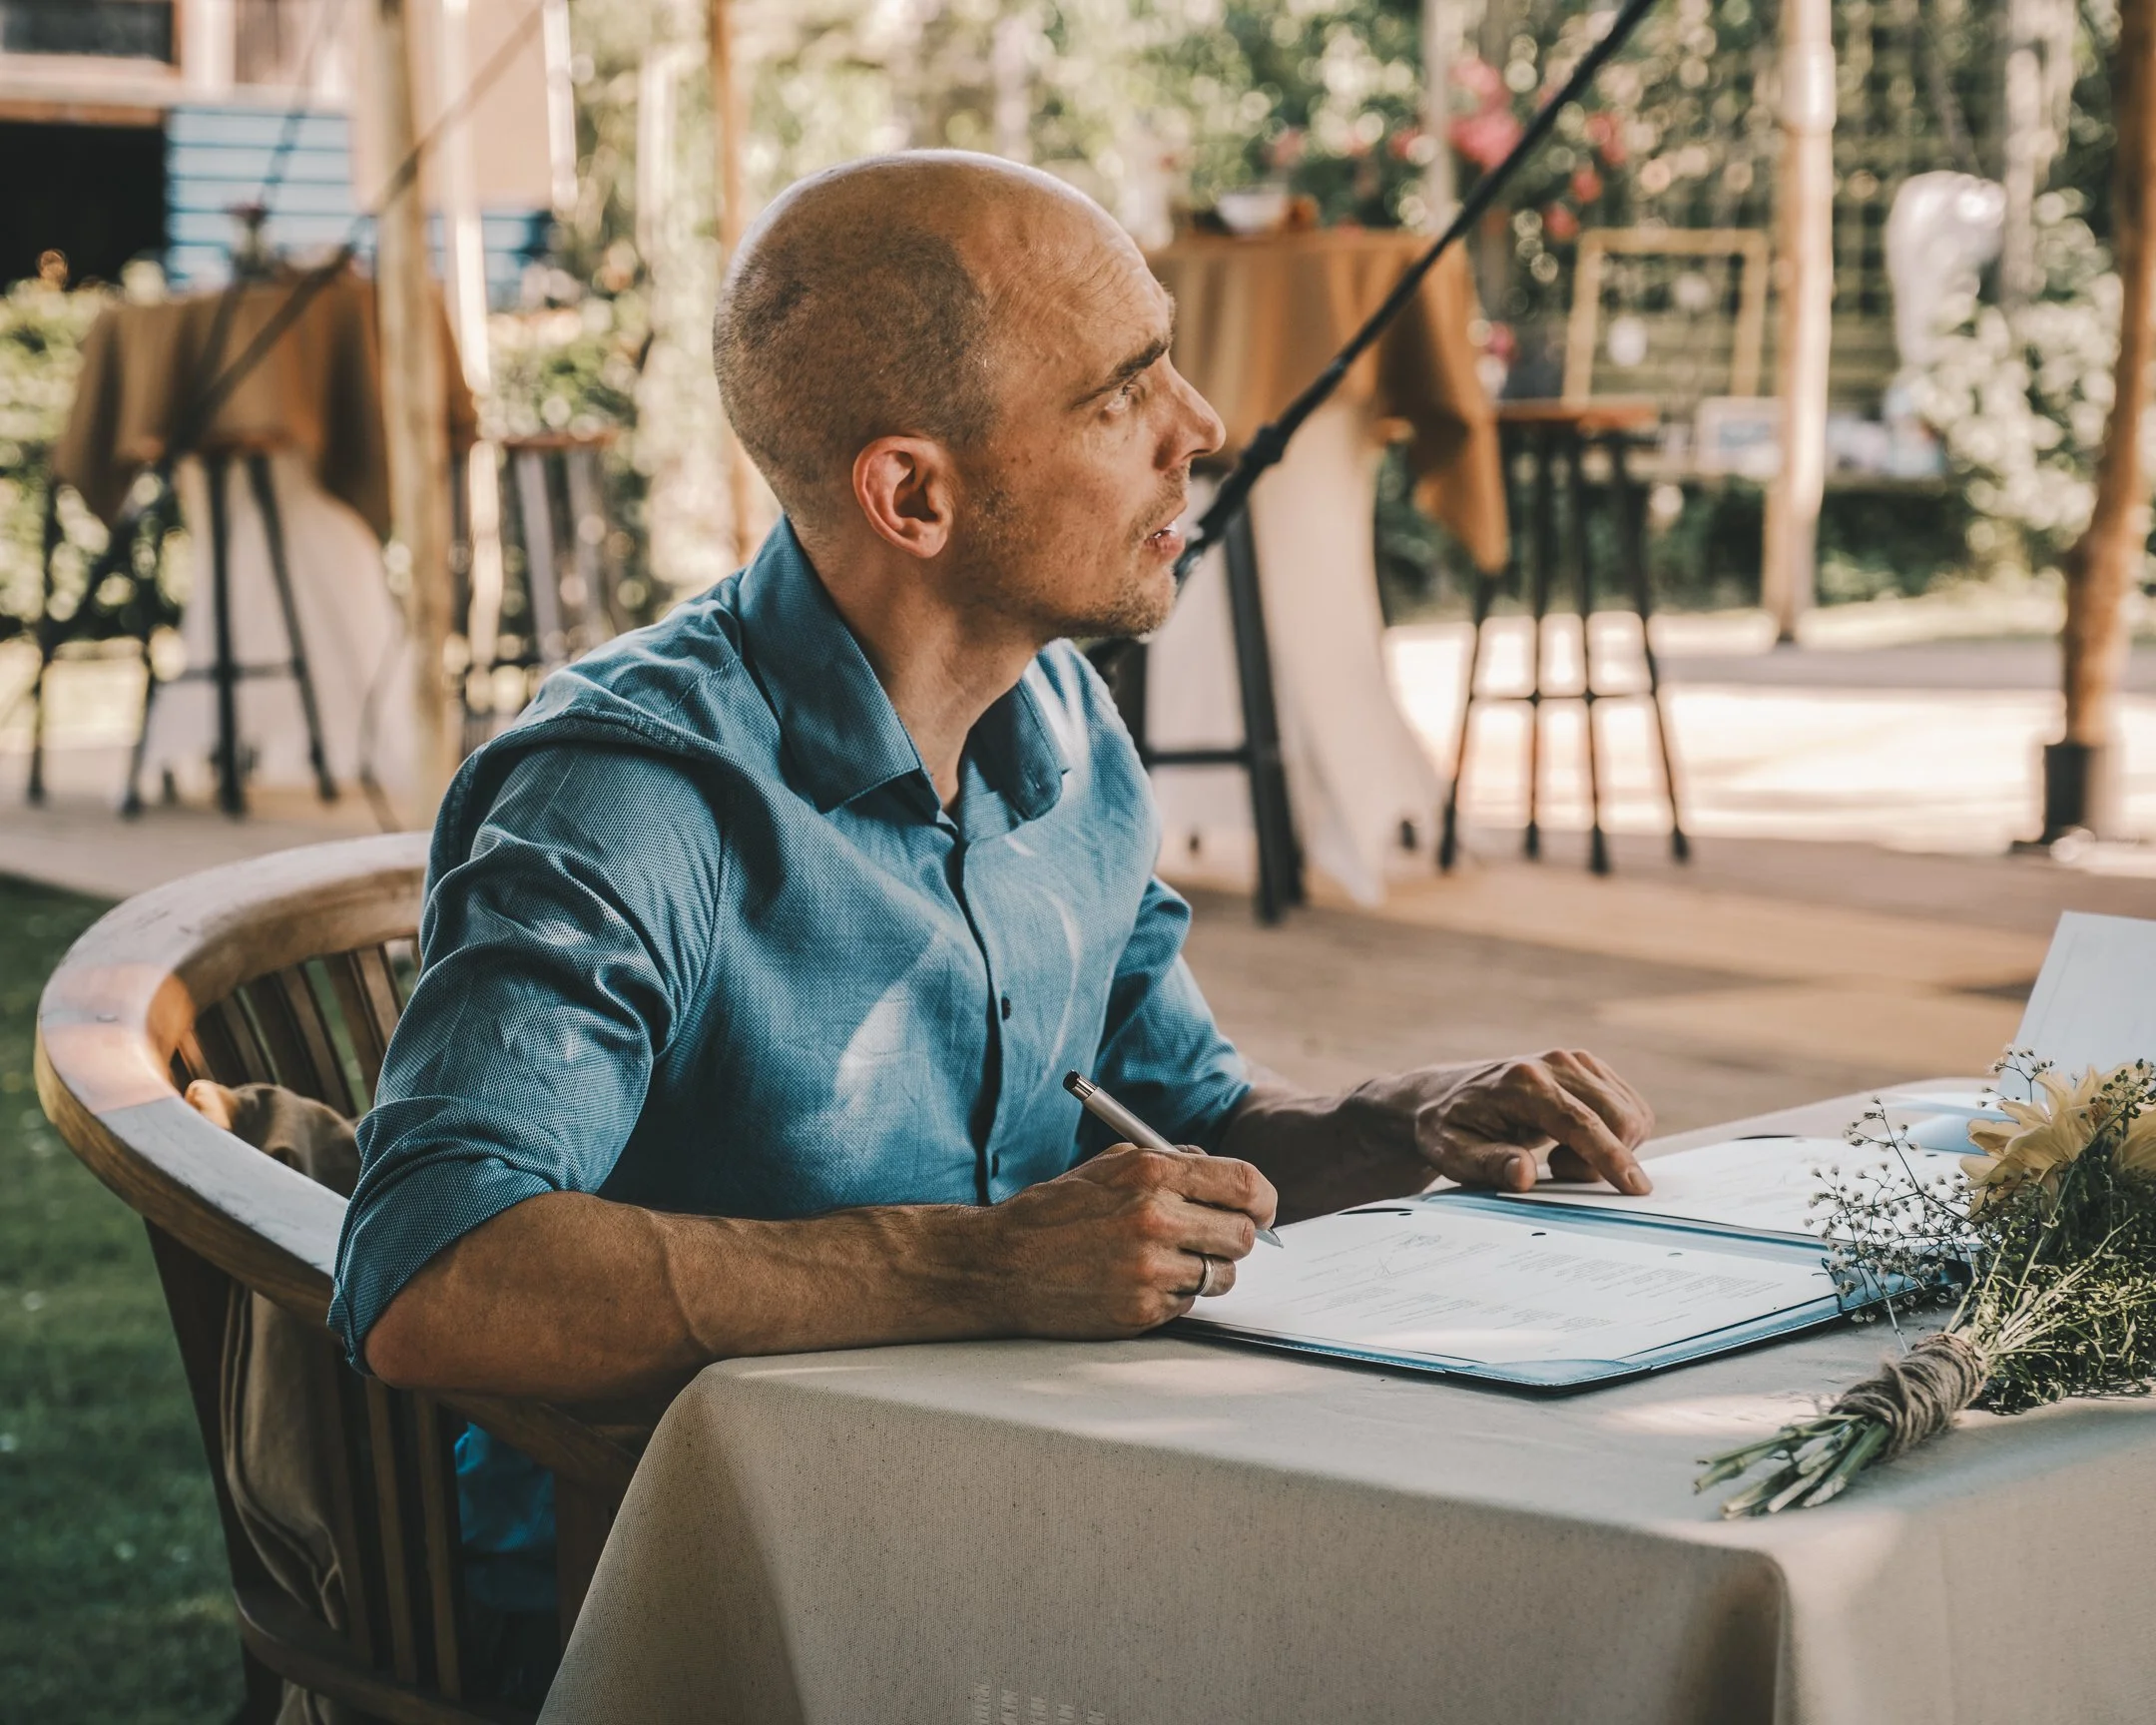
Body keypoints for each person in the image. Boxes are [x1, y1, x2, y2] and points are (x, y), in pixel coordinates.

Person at [302, 150, 1654, 1656]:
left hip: (1015, 1512)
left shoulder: (1066, 723)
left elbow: (1174, 1111)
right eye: (1121, 392)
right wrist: (980, 1262)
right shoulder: (628, 800)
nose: (1199, 429)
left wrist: (1392, 1127)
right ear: (913, 495)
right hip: (674, 1593)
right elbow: (433, 1274)